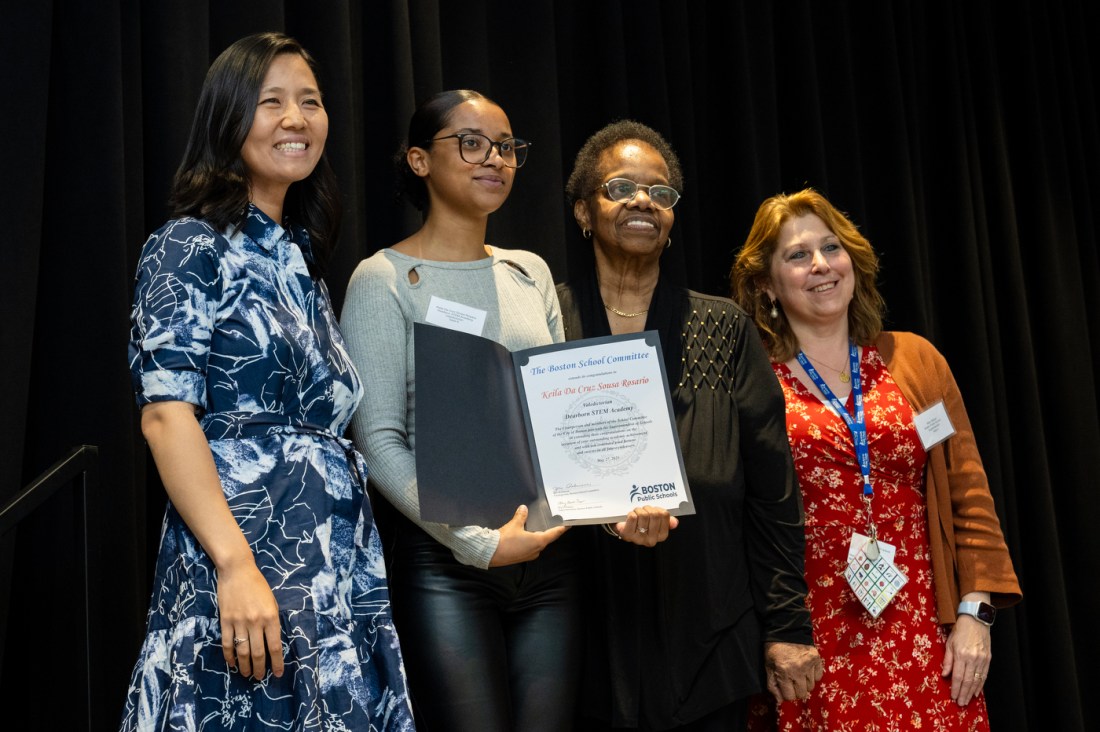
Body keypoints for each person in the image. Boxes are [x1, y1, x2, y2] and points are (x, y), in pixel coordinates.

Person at [120, 33, 413, 731]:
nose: (296, 119)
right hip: (246, 549)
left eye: (310, 102)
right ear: (227, 118)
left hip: (329, 567)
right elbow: (166, 415)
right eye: (270, 101)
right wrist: (234, 566)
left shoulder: (300, 260)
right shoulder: (188, 244)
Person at [555, 120, 822, 731]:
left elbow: (773, 494)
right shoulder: (548, 317)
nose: (644, 200)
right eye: (620, 188)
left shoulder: (724, 327)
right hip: (582, 624)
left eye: (661, 192)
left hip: (710, 623)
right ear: (582, 211)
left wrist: (787, 627)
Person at [731, 188, 1023, 730]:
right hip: (808, 642)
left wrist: (974, 613)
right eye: (797, 255)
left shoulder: (914, 360)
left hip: (926, 635)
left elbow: (968, 492)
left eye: (831, 248)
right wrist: (777, 637)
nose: (821, 265)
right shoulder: (750, 382)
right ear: (766, 284)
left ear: (853, 261)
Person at [341, 89, 579, 731]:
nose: (494, 159)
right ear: (420, 160)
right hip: (446, 563)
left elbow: (561, 418)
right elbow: (377, 440)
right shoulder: (380, 278)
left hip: (547, 558)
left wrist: (615, 502)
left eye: (506, 147)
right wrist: (476, 543)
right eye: (471, 143)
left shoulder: (529, 270)